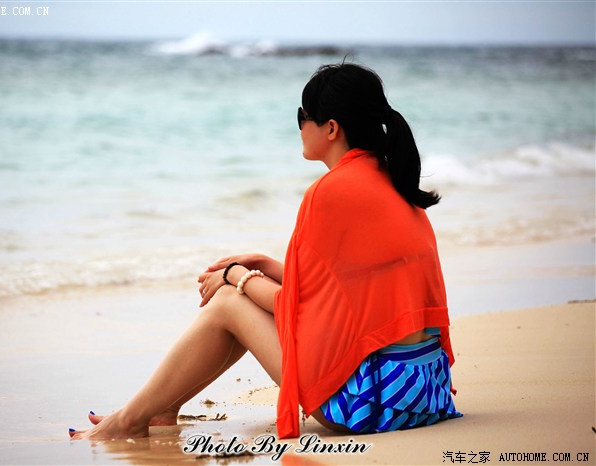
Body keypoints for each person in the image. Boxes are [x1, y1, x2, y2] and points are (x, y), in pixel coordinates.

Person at [69, 62, 461, 441]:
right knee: (235, 297)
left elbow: (297, 308)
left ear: (331, 127)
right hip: (423, 391)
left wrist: (236, 276)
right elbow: (349, 292)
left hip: (370, 403)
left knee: (227, 303)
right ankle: (159, 409)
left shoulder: (330, 193)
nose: (300, 126)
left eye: (302, 116)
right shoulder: (393, 179)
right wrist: (265, 265)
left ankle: (130, 420)